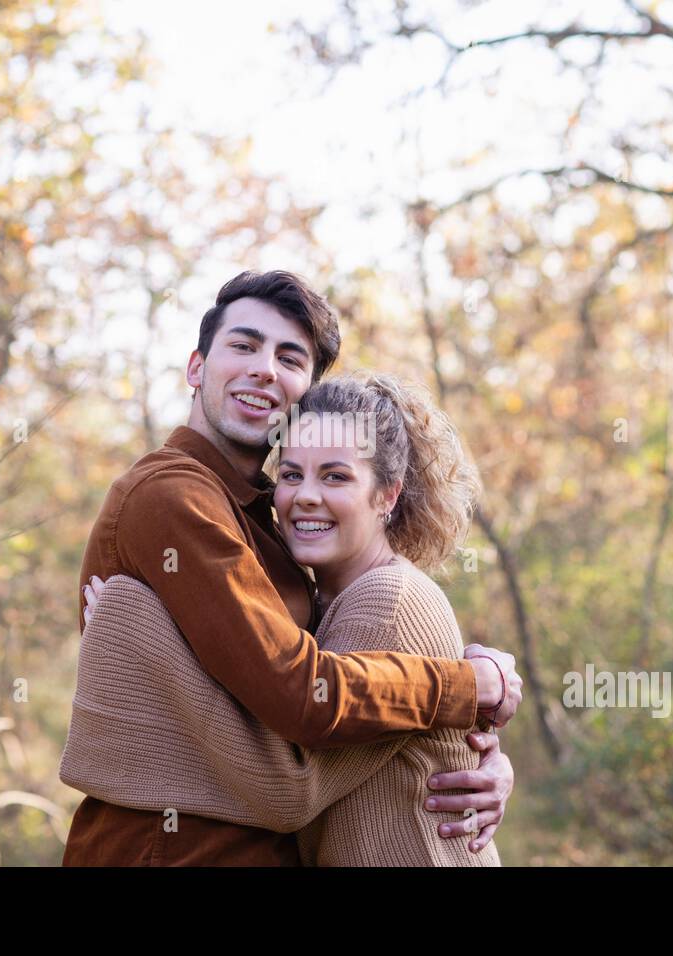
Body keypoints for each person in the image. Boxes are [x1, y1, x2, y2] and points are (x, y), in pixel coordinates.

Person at [60, 270, 522, 865]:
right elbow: (301, 695)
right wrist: (464, 689)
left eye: (289, 358)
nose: (264, 370)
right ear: (196, 367)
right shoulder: (175, 498)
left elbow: (322, 732)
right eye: (244, 346)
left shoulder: (271, 528)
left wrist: (469, 743)